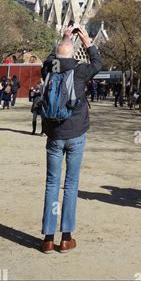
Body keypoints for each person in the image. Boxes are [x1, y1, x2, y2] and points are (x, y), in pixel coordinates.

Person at [40, 26, 102, 254]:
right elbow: (98, 64)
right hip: (76, 134)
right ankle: (66, 238)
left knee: (51, 184)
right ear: (73, 54)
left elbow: (49, 59)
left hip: (54, 135)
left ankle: (48, 239)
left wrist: (64, 38)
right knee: (71, 184)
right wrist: (87, 41)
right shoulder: (80, 70)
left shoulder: (49, 69)